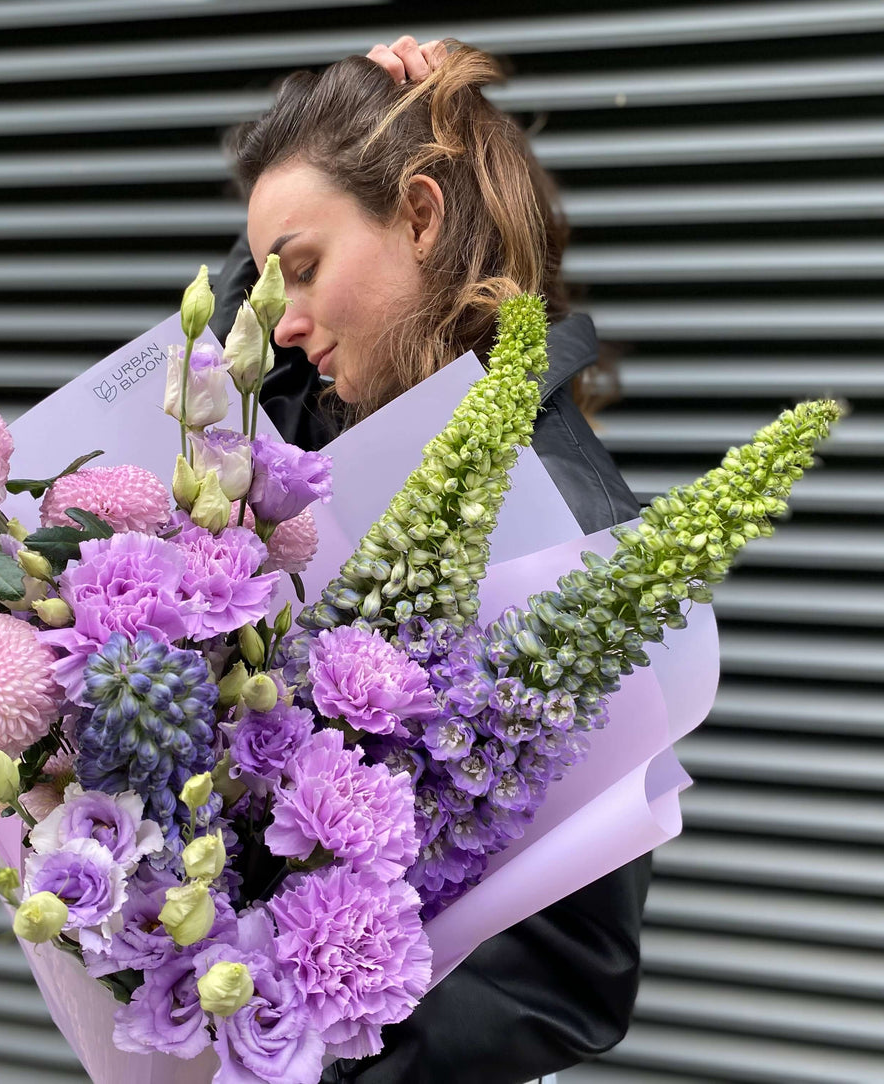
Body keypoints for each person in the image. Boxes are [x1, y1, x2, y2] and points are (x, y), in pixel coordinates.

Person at [209, 36, 650, 1084]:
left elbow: (561, 974)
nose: (287, 318)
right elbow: (208, 391)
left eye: (303, 270)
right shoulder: (335, 428)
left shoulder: (563, 526)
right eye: (271, 283)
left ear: (418, 215)